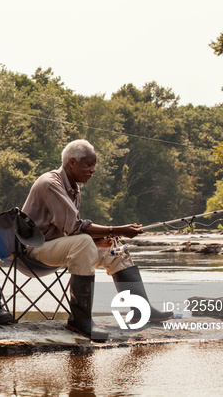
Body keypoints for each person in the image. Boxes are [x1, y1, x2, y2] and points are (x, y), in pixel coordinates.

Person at [22, 139, 172, 341]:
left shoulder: (73, 186)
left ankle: (141, 309)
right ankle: (79, 320)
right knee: (86, 241)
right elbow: (76, 228)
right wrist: (116, 229)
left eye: (94, 165)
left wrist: (105, 238)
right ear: (72, 163)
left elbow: (70, 230)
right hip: (35, 250)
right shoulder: (51, 184)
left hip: (56, 245)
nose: (92, 170)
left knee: (115, 249)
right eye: (88, 164)